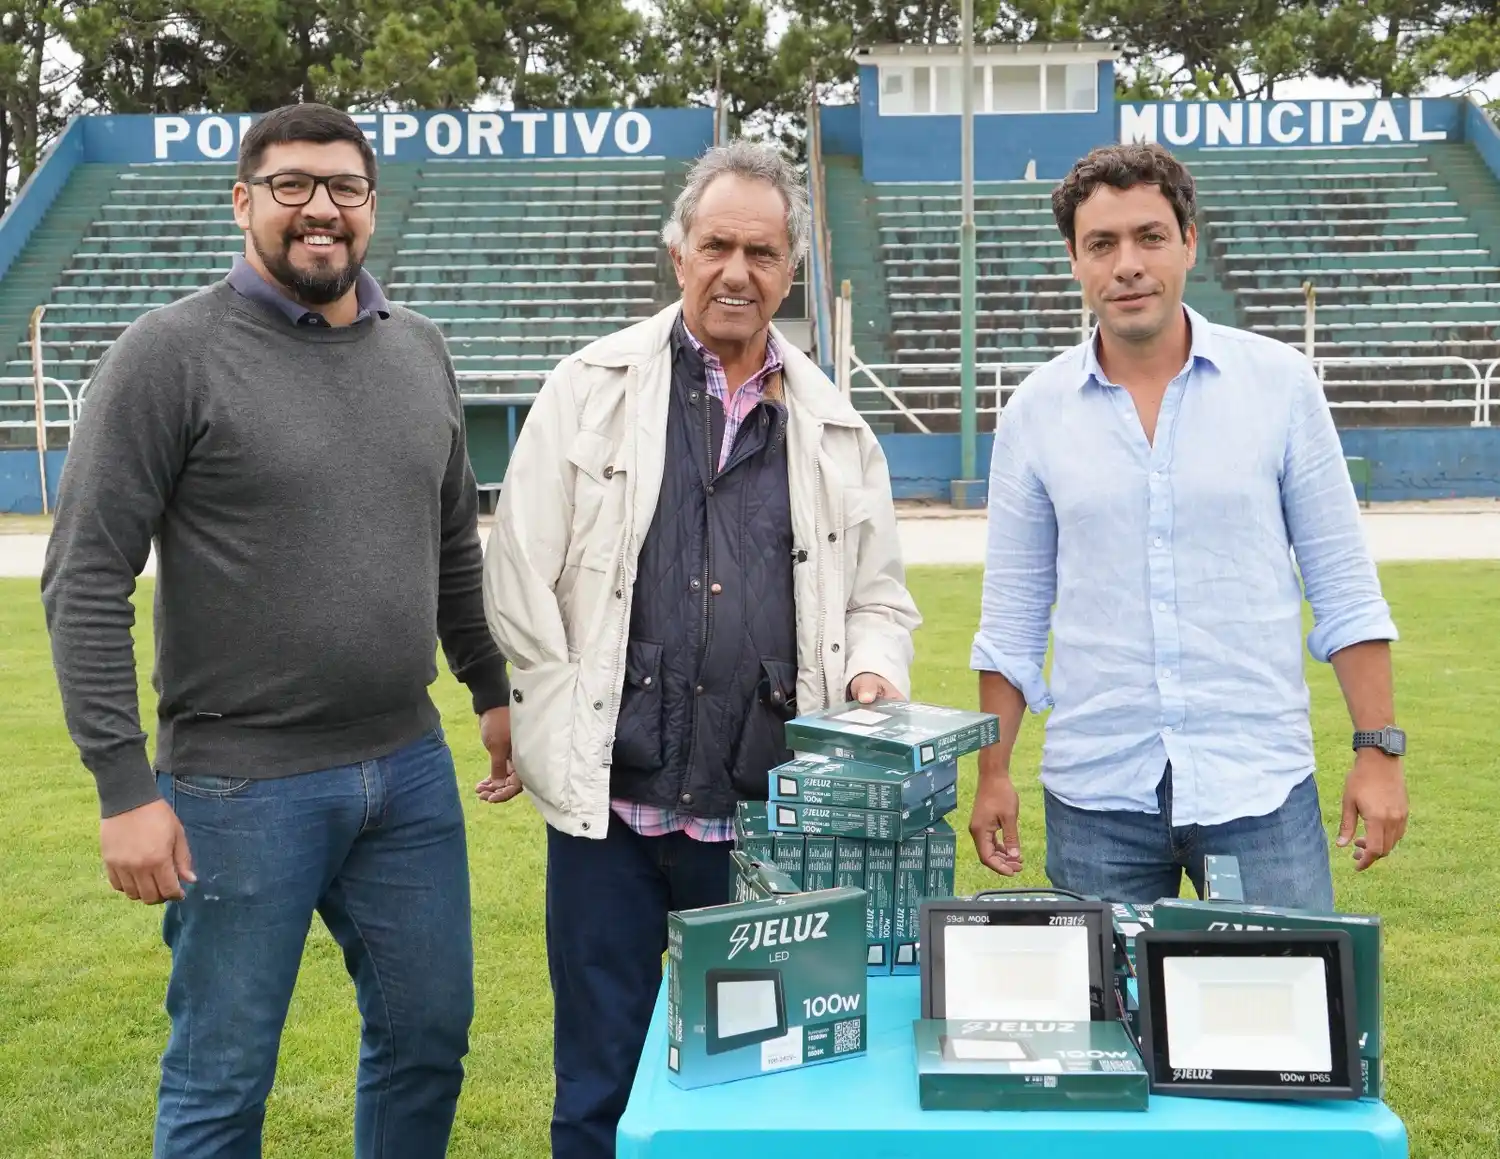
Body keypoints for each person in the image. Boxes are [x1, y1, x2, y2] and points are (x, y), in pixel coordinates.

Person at [40, 102, 510, 1158]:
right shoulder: (168, 356)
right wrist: (124, 788)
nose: (321, 210)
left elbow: (450, 545)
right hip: (236, 787)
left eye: (344, 188)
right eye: (291, 186)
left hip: (407, 771)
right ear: (243, 201)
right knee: (222, 1082)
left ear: (372, 209)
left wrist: (488, 687)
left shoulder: (420, 350)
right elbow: (82, 578)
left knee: (429, 1038)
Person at [476, 138, 920, 1159]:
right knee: (597, 1074)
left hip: (764, 824)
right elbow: (519, 578)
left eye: (762, 253)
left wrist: (870, 673)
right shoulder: (587, 388)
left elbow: (881, 598)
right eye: (717, 245)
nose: (737, 272)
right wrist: (553, 713)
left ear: (791, 270)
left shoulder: (836, 426)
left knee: (765, 1082)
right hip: (611, 818)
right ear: (676, 253)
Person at [967, 141, 1409, 910]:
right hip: (1097, 793)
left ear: (1189, 244)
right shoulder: (1034, 412)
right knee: (1105, 1030)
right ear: (1075, 261)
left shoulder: (1280, 387)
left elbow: (1343, 585)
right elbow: (1010, 616)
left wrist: (1378, 750)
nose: (1127, 264)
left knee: (1278, 1023)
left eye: (1149, 236)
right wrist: (993, 771)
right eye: (1101, 244)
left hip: (1257, 785)